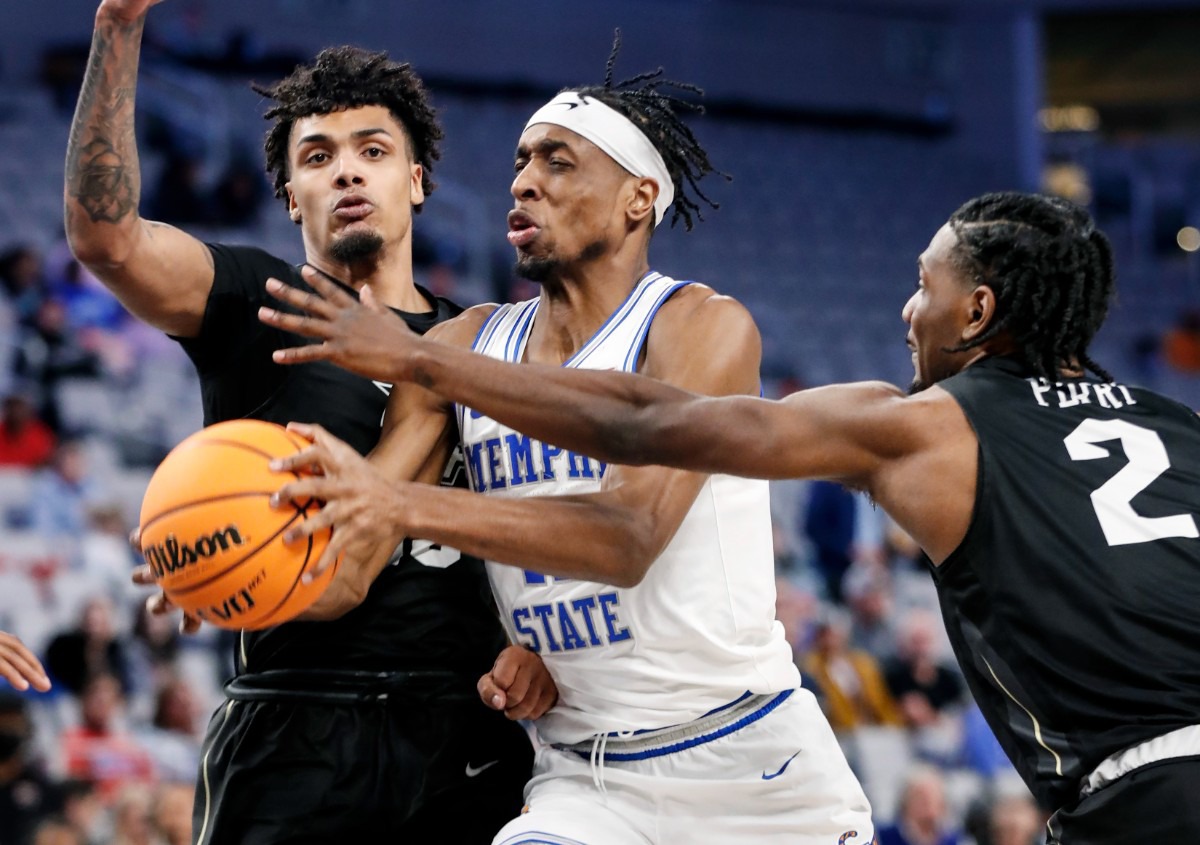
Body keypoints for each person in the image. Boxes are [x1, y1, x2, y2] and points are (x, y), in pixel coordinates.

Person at [265, 190, 1200, 844]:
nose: (908, 308)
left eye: (926, 285)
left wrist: (427, 361)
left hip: (1142, 797)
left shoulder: (924, 427)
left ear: (978, 310)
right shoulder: (1180, 426)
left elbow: (650, 423)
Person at [261, 40, 874, 845]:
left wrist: (403, 496)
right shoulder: (463, 343)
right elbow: (348, 563)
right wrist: (231, 560)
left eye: (558, 161)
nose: (522, 181)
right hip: (587, 779)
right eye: (520, 161)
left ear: (636, 199)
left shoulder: (700, 327)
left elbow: (626, 539)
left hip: (752, 764)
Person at [63, 2, 550, 841]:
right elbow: (107, 239)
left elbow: (553, 527)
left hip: (467, 731)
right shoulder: (256, 301)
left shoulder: (490, 345)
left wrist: (543, 651)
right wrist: (117, 27)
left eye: (374, 152)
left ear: (417, 180)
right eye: (318, 158)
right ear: (292, 196)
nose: (348, 173)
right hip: (295, 722)